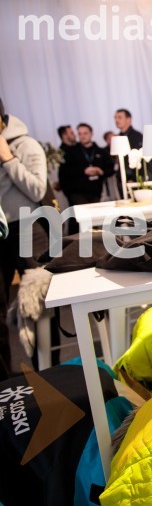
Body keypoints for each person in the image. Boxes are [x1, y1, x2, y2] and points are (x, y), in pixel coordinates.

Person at [0, 97, 48, 380]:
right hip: (1, 231)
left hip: (28, 229)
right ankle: (4, 381)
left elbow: (37, 188)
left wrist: (8, 159)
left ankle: (48, 372)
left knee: (39, 305)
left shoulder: (25, 145)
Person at [60, 123, 114, 209]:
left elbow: (111, 168)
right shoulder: (71, 152)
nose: (82, 136)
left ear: (91, 134)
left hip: (96, 192)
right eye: (80, 134)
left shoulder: (101, 151)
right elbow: (66, 172)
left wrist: (101, 171)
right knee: (84, 217)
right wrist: (83, 171)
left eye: (85, 133)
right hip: (78, 192)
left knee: (95, 218)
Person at [115, 108, 152, 182]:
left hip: (138, 177)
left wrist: (133, 178)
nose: (116, 120)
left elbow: (141, 159)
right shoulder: (118, 137)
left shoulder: (137, 136)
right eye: (115, 118)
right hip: (123, 177)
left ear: (128, 119)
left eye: (119, 117)